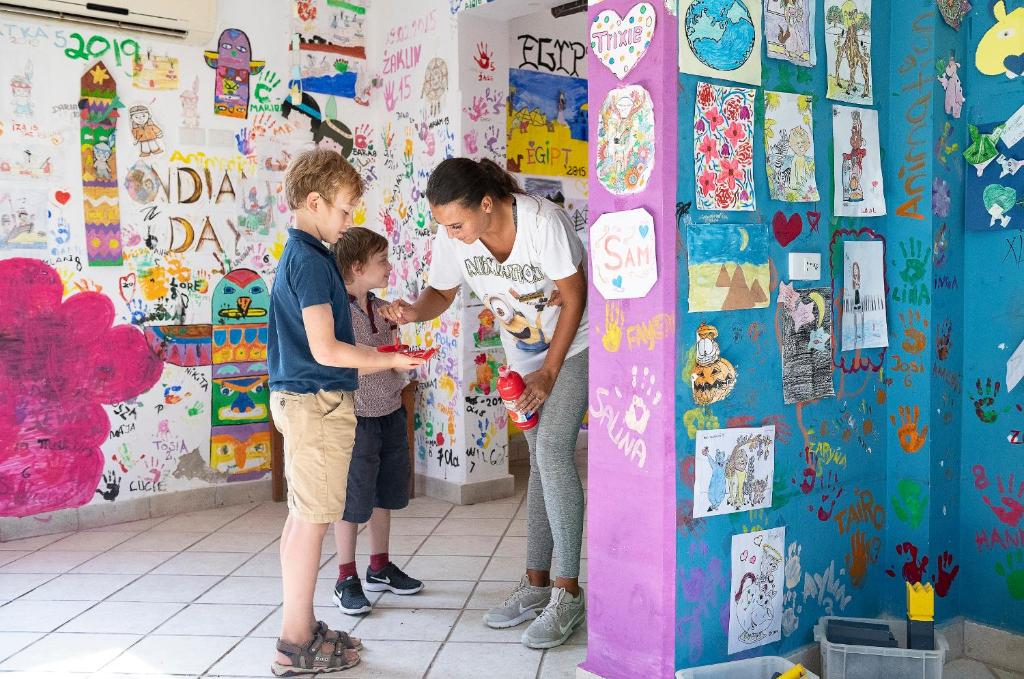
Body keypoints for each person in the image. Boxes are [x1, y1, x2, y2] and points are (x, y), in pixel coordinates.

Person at [381, 157, 589, 650]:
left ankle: (568, 592)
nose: (450, 234)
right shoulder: (456, 238)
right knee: (540, 463)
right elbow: (440, 293)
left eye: (456, 223)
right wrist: (412, 312)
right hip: (523, 355)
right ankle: (536, 584)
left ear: (487, 204)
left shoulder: (542, 223)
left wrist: (550, 371)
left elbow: (575, 295)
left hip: (574, 347)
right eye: (444, 226)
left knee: (552, 452)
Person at [268, 148, 424, 676]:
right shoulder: (312, 262)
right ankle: (294, 644)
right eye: (344, 208)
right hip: (316, 402)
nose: (348, 219)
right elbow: (327, 349)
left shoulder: (306, 254)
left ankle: (302, 625)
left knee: (302, 520)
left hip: (305, 400)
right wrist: (390, 359)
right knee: (313, 522)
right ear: (314, 202)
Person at [330, 226, 424, 616]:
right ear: (357, 267)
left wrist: (405, 350)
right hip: (356, 420)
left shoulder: (384, 309)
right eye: (382, 260)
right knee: (352, 500)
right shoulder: (335, 313)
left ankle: (379, 566)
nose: (389, 267)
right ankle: (345, 576)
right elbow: (342, 362)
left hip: (390, 411)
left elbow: (391, 357)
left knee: (385, 493)